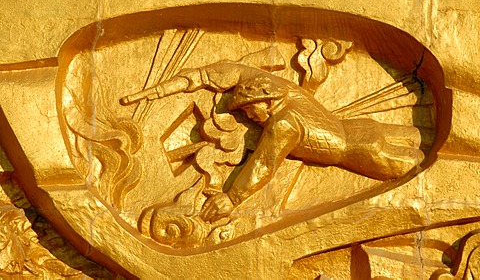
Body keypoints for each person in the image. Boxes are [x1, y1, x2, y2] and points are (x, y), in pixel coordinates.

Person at [121, 62, 424, 222]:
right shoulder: (290, 92)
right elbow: (240, 71)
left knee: (421, 175)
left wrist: (232, 198)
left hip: (362, 152)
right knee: (420, 138)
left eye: (251, 109)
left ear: (267, 102)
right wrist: (177, 84)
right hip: (363, 128)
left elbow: (264, 164)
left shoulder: (283, 124)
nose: (250, 117)